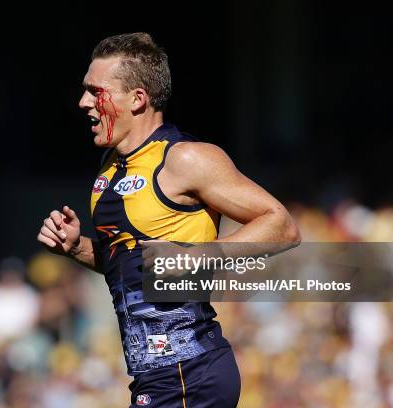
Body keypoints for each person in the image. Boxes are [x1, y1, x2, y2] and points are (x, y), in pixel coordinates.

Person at [37, 32, 300, 408]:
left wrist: (195, 256)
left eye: (96, 92)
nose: (84, 102)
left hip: (189, 372)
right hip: (156, 378)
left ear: (138, 99)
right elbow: (131, 269)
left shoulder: (185, 159)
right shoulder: (109, 169)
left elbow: (282, 226)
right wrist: (77, 247)